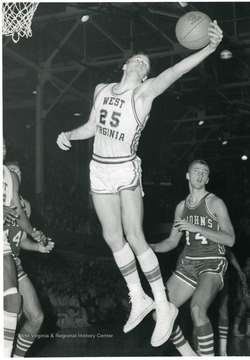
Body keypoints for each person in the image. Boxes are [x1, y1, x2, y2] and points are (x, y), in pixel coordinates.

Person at [56, 22, 223, 347]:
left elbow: (174, 71)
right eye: (136, 59)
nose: (139, 63)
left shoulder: (145, 93)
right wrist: (69, 135)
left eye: (145, 64)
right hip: (99, 168)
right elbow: (92, 125)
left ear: (146, 76)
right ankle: (139, 297)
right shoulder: (102, 89)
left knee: (134, 235)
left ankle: (162, 303)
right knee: (111, 236)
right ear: (124, 65)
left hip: (125, 169)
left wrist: (207, 48)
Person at [151, 159, 235, 356]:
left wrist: (197, 227)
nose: (200, 175)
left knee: (197, 310)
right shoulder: (181, 207)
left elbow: (230, 239)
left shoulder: (215, 203)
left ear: (208, 178)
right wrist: (150, 247)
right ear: (187, 176)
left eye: (204, 172)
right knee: (159, 315)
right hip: (188, 264)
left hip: (212, 262)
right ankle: (189, 355)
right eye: (196, 171)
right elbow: (171, 242)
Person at [3, 140, 47, 357]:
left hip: (13, 263)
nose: (16, 173)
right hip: (4, 261)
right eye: (12, 170)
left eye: (18, 171)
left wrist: (37, 245)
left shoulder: (25, 205)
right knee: (13, 312)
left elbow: (20, 239)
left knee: (36, 317)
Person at [232, 256, 250, 338]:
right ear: (247, 262)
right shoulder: (245, 270)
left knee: (241, 312)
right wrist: (239, 293)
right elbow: (238, 283)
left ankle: (235, 330)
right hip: (245, 292)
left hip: (248, 292)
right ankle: (249, 331)